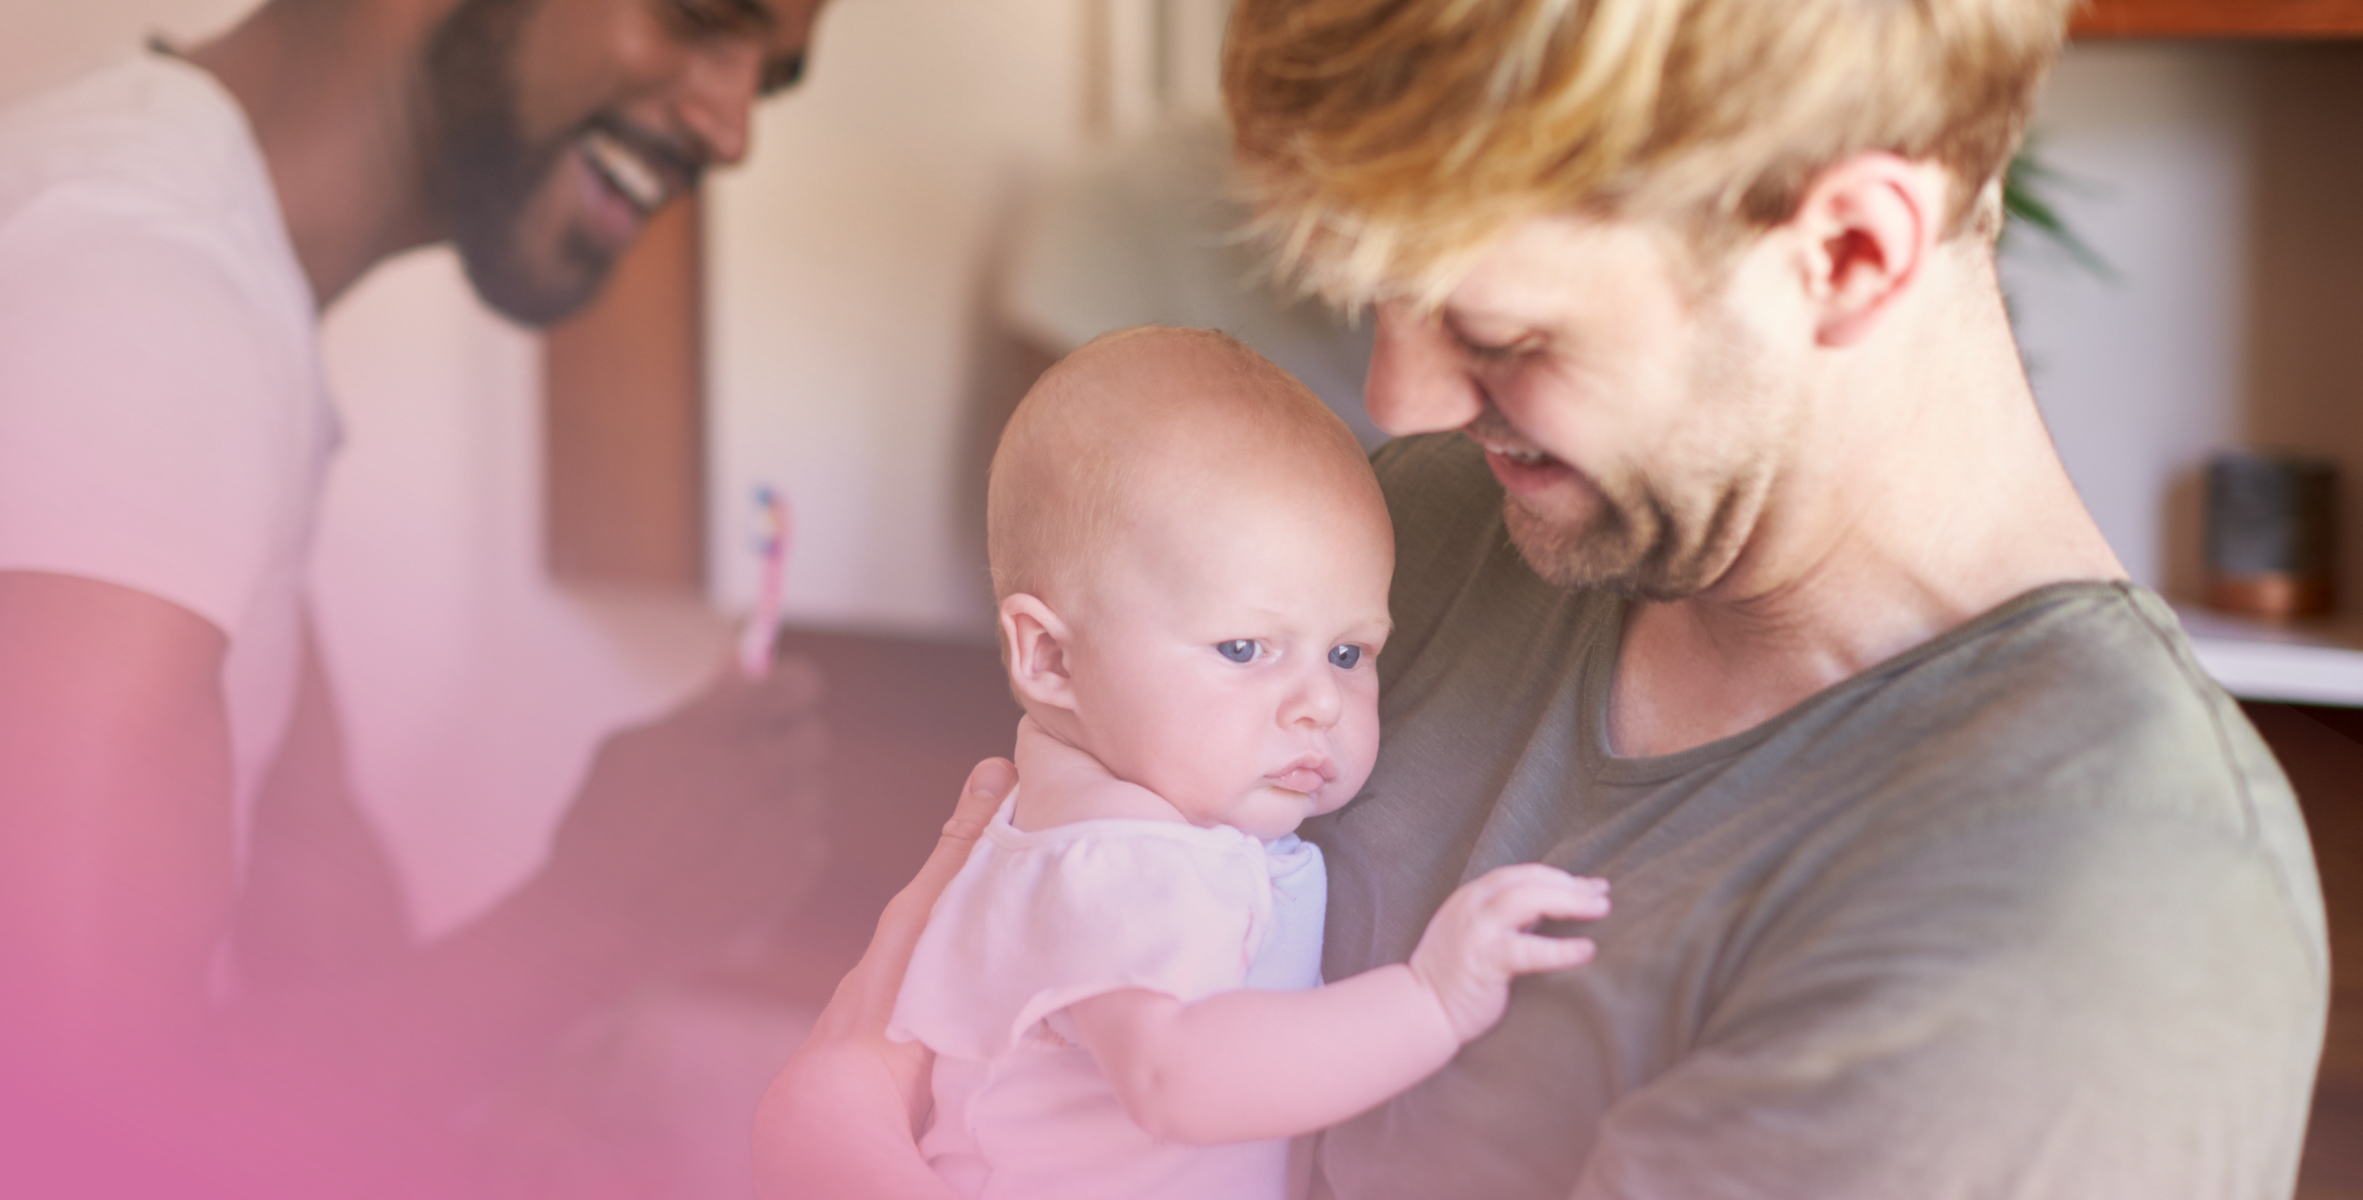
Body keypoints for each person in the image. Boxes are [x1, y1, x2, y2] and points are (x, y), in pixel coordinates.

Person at [754, 0, 2329, 1195]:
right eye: (1374, 294)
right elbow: (960, 991)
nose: (1400, 396)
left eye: (1499, 331)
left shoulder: (2091, 917)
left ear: (1847, 251)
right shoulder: (1417, 546)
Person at [0, 0, 830, 1192]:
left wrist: (497, 1094)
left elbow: (314, 907)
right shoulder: (142, 283)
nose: (733, 129)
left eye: (768, 81)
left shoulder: (201, 274)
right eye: (699, 18)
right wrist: (591, 921)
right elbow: (68, 1132)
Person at [885, 326, 1610, 1198]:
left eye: (1349, 654)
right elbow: (1172, 1080)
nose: (1319, 702)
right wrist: (1429, 1002)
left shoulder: (1121, 827)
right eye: (1243, 648)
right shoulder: (1120, 858)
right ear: (1052, 660)